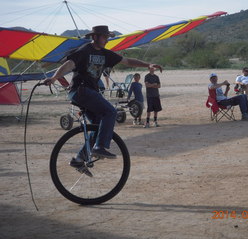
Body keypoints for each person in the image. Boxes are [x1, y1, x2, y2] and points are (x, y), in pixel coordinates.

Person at [44, 25, 162, 173]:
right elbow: (69, 64)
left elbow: (128, 61)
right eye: (104, 37)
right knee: (110, 112)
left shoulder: (106, 54)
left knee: (99, 125)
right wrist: (55, 78)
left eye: (107, 37)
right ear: (95, 37)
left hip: (88, 93)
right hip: (81, 91)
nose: (106, 40)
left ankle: (79, 159)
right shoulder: (85, 50)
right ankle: (100, 147)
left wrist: (147, 65)